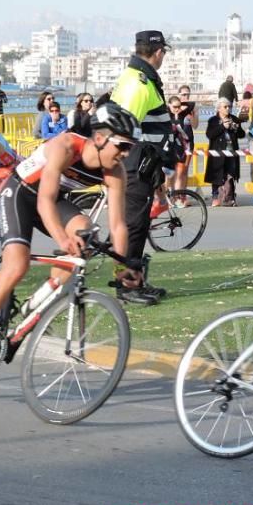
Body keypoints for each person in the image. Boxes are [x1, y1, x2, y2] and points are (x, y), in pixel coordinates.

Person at [0, 103, 143, 379]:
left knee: (87, 232)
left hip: (54, 201)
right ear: (99, 139)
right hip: (19, 193)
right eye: (122, 146)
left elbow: (118, 224)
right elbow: (44, 200)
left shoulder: (115, 172)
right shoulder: (65, 146)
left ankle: (39, 300)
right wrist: (62, 239)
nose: (125, 154)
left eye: (130, 148)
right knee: (16, 266)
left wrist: (122, 266)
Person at [110, 30, 174, 305]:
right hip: (134, 167)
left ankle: (135, 280)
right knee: (133, 226)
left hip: (144, 166)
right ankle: (126, 287)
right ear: (158, 52)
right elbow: (122, 129)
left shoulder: (139, 78)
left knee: (138, 225)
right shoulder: (138, 83)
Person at [204, 98, 244, 206]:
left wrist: (236, 128)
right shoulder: (213, 120)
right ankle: (215, 197)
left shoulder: (234, 118)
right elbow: (209, 135)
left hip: (231, 152)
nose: (228, 109)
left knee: (231, 174)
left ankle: (229, 197)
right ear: (218, 108)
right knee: (216, 174)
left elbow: (242, 135)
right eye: (225, 107)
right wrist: (222, 127)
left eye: (229, 107)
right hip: (217, 152)